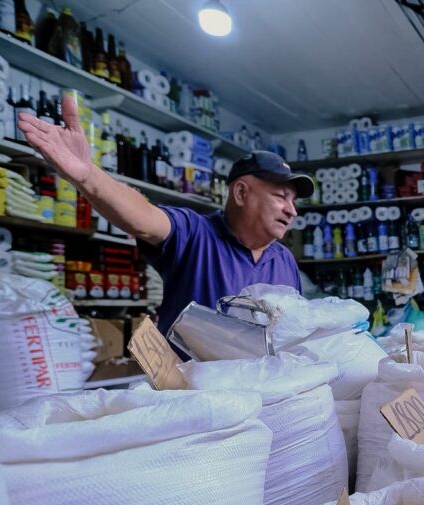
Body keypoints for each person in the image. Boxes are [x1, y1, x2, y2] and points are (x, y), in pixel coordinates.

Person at [16, 95, 314, 338]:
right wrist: (88, 176)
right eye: (280, 197)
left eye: (293, 201)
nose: (292, 210)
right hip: (189, 388)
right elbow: (142, 217)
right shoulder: (195, 233)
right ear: (241, 193)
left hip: (262, 390)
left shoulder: (284, 260)